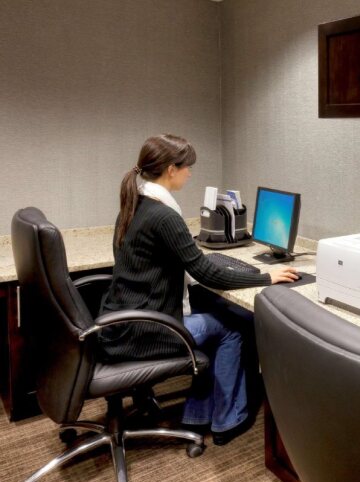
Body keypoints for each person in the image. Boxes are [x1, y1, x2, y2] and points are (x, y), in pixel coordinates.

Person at [98, 134, 298, 445]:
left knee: (217, 312)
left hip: (124, 322)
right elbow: (205, 272)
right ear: (171, 169)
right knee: (236, 327)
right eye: (187, 167)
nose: (190, 173)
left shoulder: (136, 203)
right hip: (148, 331)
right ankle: (228, 419)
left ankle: (199, 414)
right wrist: (265, 278)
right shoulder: (164, 215)